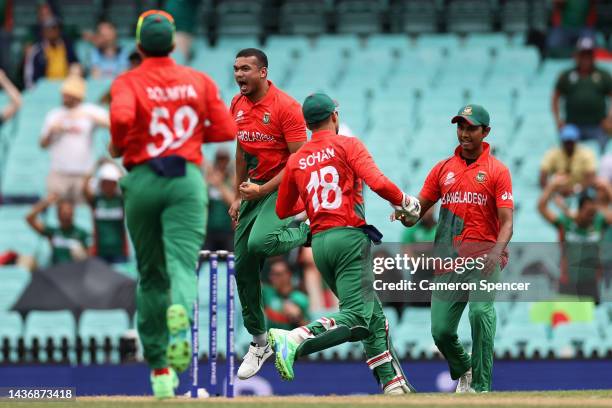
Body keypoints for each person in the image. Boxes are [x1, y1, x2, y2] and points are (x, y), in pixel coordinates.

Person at [108, 10, 236, 399]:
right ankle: (180, 315)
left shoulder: (128, 80)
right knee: (182, 264)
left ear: (140, 44)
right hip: (184, 179)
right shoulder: (197, 80)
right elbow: (227, 130)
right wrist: (194, 131)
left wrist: (121, 144)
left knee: (149, 274)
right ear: (173, 44)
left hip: (143, 178)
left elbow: (120, 119)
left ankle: (161, 369)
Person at [269, 93, 419, 394]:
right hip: (349, 238)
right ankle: (295, 339)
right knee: (357, 317)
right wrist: (406, 202)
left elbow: (284, 210)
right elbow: (376, 182)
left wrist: (312, 195)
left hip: (320, 244)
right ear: (334, 117)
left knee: (373, 319)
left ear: (308, 124)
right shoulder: (348, 144)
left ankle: (393, 385)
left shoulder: (297, 160)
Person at [398, 104, 514, 393]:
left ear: (485, 132)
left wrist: (496, 252)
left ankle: (482, 389)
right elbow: (418, 211)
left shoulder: (497, 171)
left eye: (471, 128)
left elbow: (508, 223)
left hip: (484, 256)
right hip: (449, 262)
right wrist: (405, 212)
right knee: (441, 331)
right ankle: (465, 370)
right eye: (460, 127)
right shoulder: (442, 169)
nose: (464, 133)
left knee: (480, 313)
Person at [228, 48, 310, 380]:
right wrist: (237, 194)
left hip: (283, 187)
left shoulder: (286, 108)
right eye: (235, 69)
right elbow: (241, 150)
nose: (238, 75)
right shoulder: (236, 104)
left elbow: (298, 161)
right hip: (254, 189)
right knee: (243, 265)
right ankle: (259, 341)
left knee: (261, 244)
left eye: (245, 69)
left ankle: (309, 232)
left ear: (263, 72)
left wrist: (262, 190)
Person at [538, 175, 611, 302]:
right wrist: (551, 187)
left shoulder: (599, 222)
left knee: (592, 318)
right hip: (568, 282)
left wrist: (607, 187)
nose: (591, 217)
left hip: (592, 284)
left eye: (593, 213)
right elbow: (542, 208)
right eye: (588, 213)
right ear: (579, 209)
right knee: (567, 319)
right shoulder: (566, 223)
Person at [40, 75, 109, 202]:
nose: (64, 97)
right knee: (58, 211)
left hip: (83, 174)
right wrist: (51, 131)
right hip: (59, 172)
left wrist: (88, 116)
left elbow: (110, 124)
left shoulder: (89, 111)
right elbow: (42, 145)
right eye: (64, 94)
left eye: (68, 94)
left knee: (84, 210)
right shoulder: (54, 114)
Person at [552, 37, 612, 153]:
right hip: (573, 125)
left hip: (597, 126)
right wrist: (559, 121)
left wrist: (610, 119)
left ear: (593, 56)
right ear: (577, 56)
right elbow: (555, 98)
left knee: (604, 152)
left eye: (588, 55)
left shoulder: (603, 75)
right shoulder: (567, 75)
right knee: (567, 151)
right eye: (583, 54)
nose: (586, 58)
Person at [83, 161, 128, 264]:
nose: (108, 185)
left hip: (119, 252)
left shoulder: (120, 200)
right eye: (105, 182)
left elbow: (127, 184)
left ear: (115, 184)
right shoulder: (96, 200)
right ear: (101, 183)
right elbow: (84, 187)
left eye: (111, 182)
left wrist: (114, 164)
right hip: (99, 252)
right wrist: (96, 165)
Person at [26, 194, 89, 265]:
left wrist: (83, 255)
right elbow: (29, 218)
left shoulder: (82, 233)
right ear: (58, 214)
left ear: (73, 213)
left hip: (75, 270)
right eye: (64, 213)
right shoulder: (53, 232)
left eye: (69, 212)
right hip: (57, 270)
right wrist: (46, 202)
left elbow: (90, 255)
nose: (66, 215)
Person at [23, 16, 80, 88]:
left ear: (59, 30)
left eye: (54, 28)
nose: (52, 32)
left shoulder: (68, 47)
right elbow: (29, 76)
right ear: (44, 32)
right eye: (48, 29)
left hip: (65, 86)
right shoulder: (37, 51)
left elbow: (76, 64)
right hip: (45, 88)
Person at [540, 124, 597, 189]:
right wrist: (553, 194)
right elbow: (543, 178)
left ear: (576, 141)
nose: (569, 145)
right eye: (566, 142)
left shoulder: (586, 154)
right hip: (557, 190)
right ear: (562, 142)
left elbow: (591, 178)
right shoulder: (552, 154)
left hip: (580, 191)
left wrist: (575, 189)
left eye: (571, 142)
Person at [263, 258, 309, 330]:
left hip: (290, 339)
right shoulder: (267, 292)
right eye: (272, 274)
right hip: (270, 339)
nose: (273, 278)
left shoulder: (300, 298)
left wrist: (298, 318)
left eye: (277, 274)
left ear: (288, 275)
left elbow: (309, 329)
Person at [203, 148, 235, 251]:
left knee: (231, 261)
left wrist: (219, 184)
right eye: (219, 159)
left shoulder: (232, 180)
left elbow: (232, 202)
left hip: (227, 231)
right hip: (209, 230)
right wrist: (208, 181)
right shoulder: (208, 181)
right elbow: (201, 201)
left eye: (224, 159)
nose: (222, 163)